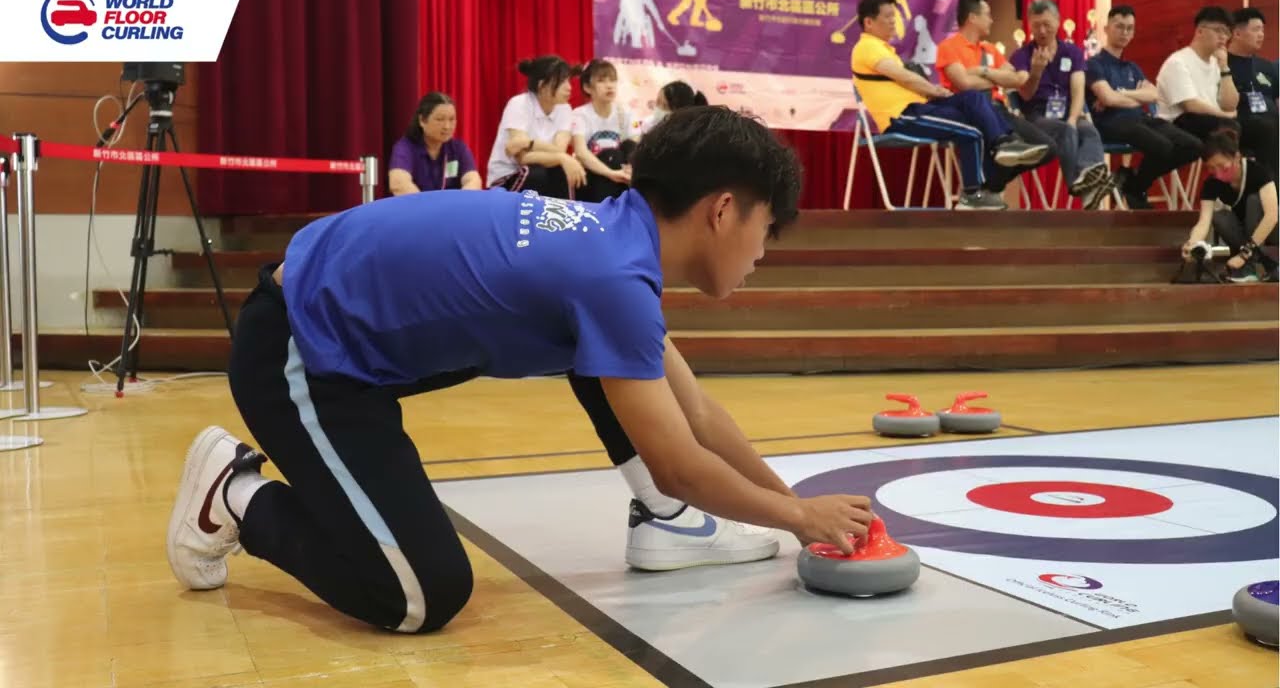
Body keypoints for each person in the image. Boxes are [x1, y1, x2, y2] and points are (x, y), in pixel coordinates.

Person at [165, 106, 877, 634]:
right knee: (418, 595)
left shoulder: (612, 238)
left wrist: (797, 513)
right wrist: (797, 515)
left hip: (347, 342)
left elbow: (696, 415)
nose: (762, 254)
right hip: (298, 350)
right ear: (723, 211)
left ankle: (670, 528)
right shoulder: (612, 279)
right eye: (766, 229)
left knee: (613, 364)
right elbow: (680, 466)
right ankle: (236, 495)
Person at [852, 0, 1050, 210]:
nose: (893, 21)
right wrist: (935, 90)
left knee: (973, 99)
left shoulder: (885, 49)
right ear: (869, 22)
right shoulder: (867, 47)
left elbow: (1018, 79)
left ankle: (1004, 143)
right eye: (888, 16)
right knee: (971, 132)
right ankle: (973, 194)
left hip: (922, 107)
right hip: (902, 116)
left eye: (894, 16)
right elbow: (905, 77)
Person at [935, 0, 1058, 202]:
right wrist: (998, 79)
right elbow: (964, 84)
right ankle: (985, 187)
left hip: (1000, 109)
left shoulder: (990, 49)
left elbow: (1018, 78)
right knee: (1007, 148)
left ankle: (991, 185)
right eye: (988, 14)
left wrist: (982, 71)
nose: (992, 20)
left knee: (1048, 148)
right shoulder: (948, 47)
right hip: (970, 113)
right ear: (972, 18)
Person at [1087, 6, 1202, 210]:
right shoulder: (1095, 64)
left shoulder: (1132, 67)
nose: (1124, 32)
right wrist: (1136, 97)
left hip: (1141, 119)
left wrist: (1122, 93)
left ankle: (1134, 185)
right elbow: (1107, 98)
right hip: (1111, 122)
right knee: (1163, 147)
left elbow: (1154, 94)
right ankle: (1134, 185)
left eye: (1129, 28)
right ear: (1106, 29)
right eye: (1119, 27)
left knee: (1193, 146)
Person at [1011, 0, 1119, 211]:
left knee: (1088, 130)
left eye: (1047, 24)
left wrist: (1072, 118)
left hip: (1068, 111)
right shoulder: (1022, 56)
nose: (1042, 31)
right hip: (1037, 116)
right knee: (1065, 131)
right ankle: (1080, 187)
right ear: (1030, 25)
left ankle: (1086, 180)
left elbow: (1078, 92)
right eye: (1036, 25)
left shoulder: (1072, 52)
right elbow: (1025, 95)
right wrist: (1036, 72)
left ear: (1058, 21)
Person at [1154, 7, 1277, 176]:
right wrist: (1225, 115)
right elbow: (1191, 106)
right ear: (1200, 31)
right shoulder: (1178, 62)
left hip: (1212, 122)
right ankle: (1233, 182)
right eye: (1219, 31)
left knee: (1264, 129)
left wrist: (1225, 68)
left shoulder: (1216, 63)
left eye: (1226, 32)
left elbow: (1229, 104)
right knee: (1235, 126)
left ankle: (1267, 185)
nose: (1223, 37)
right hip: (1180, 123)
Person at [1183, 129, 1278, 282]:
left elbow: (1272, 216)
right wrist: (1192, 243)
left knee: (1254, 201)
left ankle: (1253, 262)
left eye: (1222, 166)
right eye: (1212, 168)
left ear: (1237, 156)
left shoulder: (1258, 172)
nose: (1218, 173)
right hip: (1244, 232)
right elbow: (1204, 221)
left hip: (1271, 230)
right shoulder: (1212, 183)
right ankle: (1250, 267)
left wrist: (1245, 254)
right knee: (1219, 216)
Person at [486, 55, 587, 198]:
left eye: (568, 81)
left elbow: (559, 150)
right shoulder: (519, 104)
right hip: (507, 177)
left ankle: (562, 212)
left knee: (560, 171)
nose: (569, 88)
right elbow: (523, 158)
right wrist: (562, 157)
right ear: (542, 86)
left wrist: (529, 143)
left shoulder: (565, 109)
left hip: (541, 171)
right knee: (536, 172)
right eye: (562, 82)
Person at [387, 92, 482, 195]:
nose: (447, 126)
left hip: (451, 205)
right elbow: (398, 184)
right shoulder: (405, 148)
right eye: (440, 119)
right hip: (418, 204)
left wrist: (462, 200)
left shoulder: (458, 149)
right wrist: (424, 204)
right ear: (422, 120)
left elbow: (473, 180)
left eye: (451, 119)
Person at [571, 59, 637, 203]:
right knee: (610, 155)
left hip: (621, 174)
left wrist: (629, 170)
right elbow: (581, 153)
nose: (609, 86)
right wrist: (611, 173)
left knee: (628, 147)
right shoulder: (579, 114)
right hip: (592, 177)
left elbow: (634, 144)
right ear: (587, 87)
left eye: (612, 80)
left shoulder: (625, 112)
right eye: (601, 81)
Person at [1226, 8, 1278, 172]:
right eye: (1256, 29)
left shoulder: (1266, 66)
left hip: (1270, 122)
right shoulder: (1222, 64)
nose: (1261, 35)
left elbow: (1277, 98)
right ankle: (1271, 183)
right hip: (1238, 123)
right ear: (1237, 33)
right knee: (1267, 128)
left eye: (1262, 30)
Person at [639, 80, 708, 135]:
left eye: (665, 106)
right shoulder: (650, 124)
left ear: (680, 112)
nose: (658, 108)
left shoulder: (684, 136)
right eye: (658, 102)